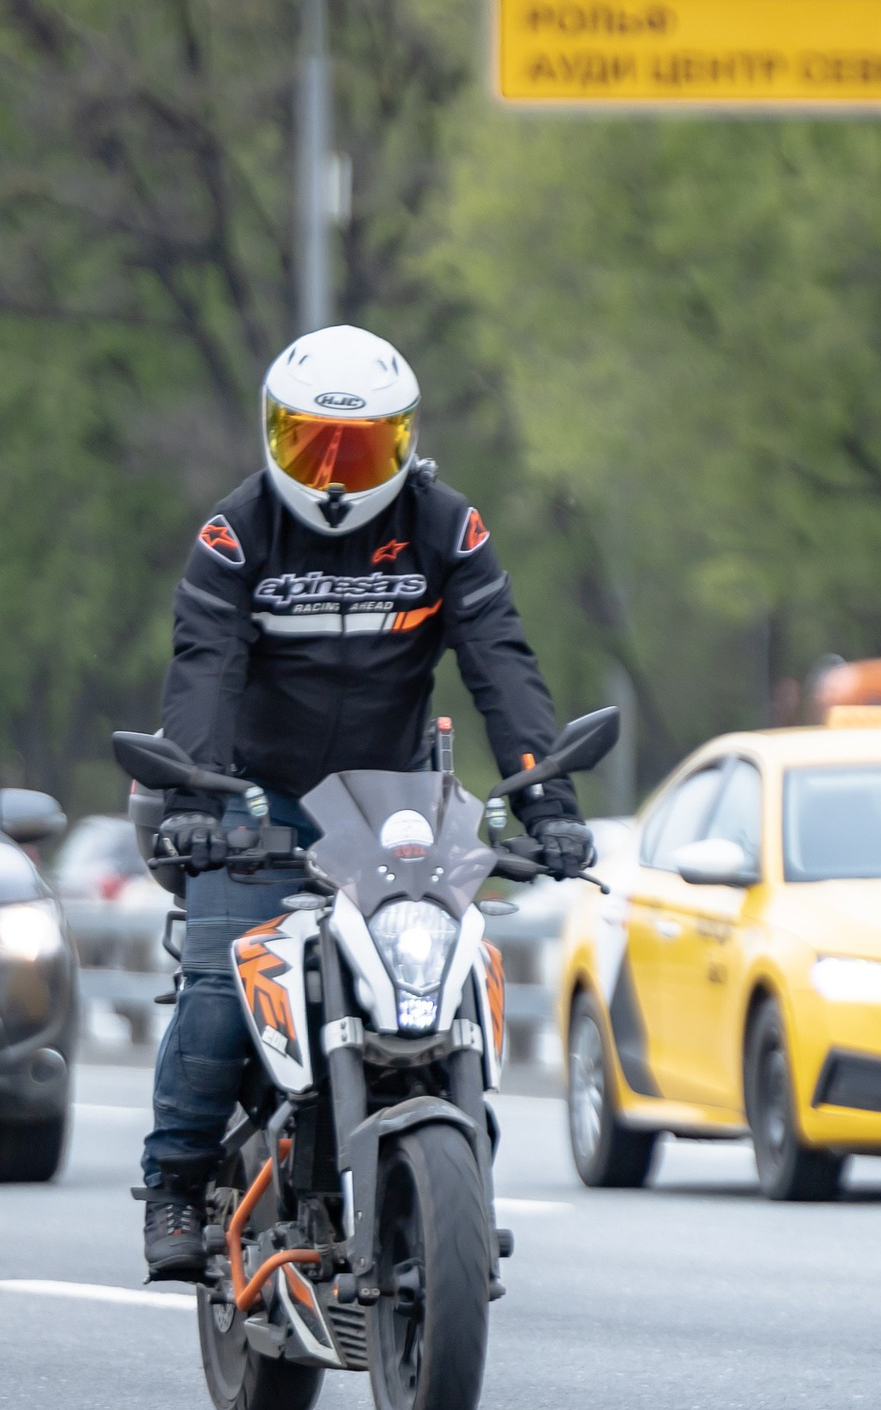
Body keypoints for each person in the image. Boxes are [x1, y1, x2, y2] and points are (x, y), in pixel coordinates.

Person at [139, 325, 595, 1280]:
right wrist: (195, 794)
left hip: (397, 810)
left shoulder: (447, 527)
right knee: (226, 986)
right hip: (251, 807)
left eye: (362, 447)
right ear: (273, 436)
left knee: (447, 982)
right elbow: (205, 670)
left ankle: (451, 1175)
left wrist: (546, 800)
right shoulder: (235, 534)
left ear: (406, 442)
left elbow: (501, 662)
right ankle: (177, 1179)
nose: (337, 472)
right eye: (313, 444)